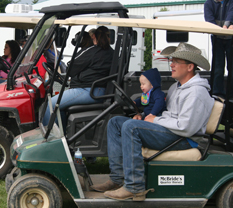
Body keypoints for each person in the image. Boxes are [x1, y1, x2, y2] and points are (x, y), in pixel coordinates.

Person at [91, 42, 214, 201]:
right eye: (172, 61)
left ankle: (134, 187)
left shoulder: (196, 92)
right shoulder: (176, 87)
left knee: (131, 127)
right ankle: (117, 178)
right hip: (172, 132)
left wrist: (156, 120)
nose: (172, 64)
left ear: (190, 67)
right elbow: (166, 113)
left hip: (185, 138)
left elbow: (185, 127)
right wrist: (143, 117)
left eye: (176, 61)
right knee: (115, 123)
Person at [43, 26, 114, 131]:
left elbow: (70, 69)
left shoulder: (92, 51)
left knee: (50, 105)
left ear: (93, 36)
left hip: (89, 91)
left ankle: (48, 139)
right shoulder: (111, 52)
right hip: (100, 90)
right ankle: (62, 135)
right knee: (60, 108)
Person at [204, 0, 233, 97]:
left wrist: (228, 25)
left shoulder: (232, 0)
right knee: (218, 67)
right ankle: (217, 94)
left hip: (231, 38)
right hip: (217, 39)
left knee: (231, 68)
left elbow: (231, 13)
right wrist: (221, 30)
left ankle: (231, 95)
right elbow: (209, 21)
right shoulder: (208, 4)